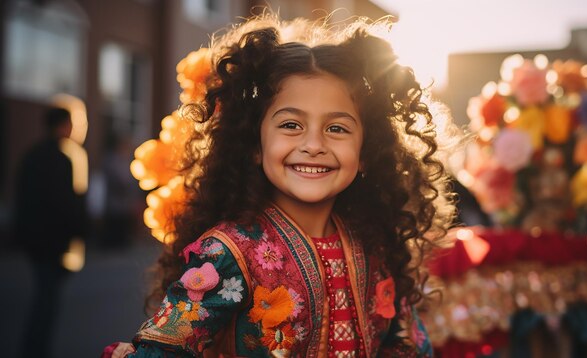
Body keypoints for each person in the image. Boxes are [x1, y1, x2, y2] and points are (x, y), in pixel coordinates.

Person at [106, 14, 457, 357]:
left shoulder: (375, 244)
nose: (314, 144)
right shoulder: (230, 253)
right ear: (255, 145)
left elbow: (407, 342)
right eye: (291, 125)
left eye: (337, 128)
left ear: (367, 151)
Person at [15, 107, 86, 358]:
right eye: (71, 124)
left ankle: (35, 347)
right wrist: (79, 232)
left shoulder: (31, 156)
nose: (73, 129)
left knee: (44, 294)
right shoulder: (60, 160)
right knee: (47, 299)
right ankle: (36, 349)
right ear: (61, 125)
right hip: (52, 240)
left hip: (34, 240)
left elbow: (21, 200)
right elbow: (64, 204)